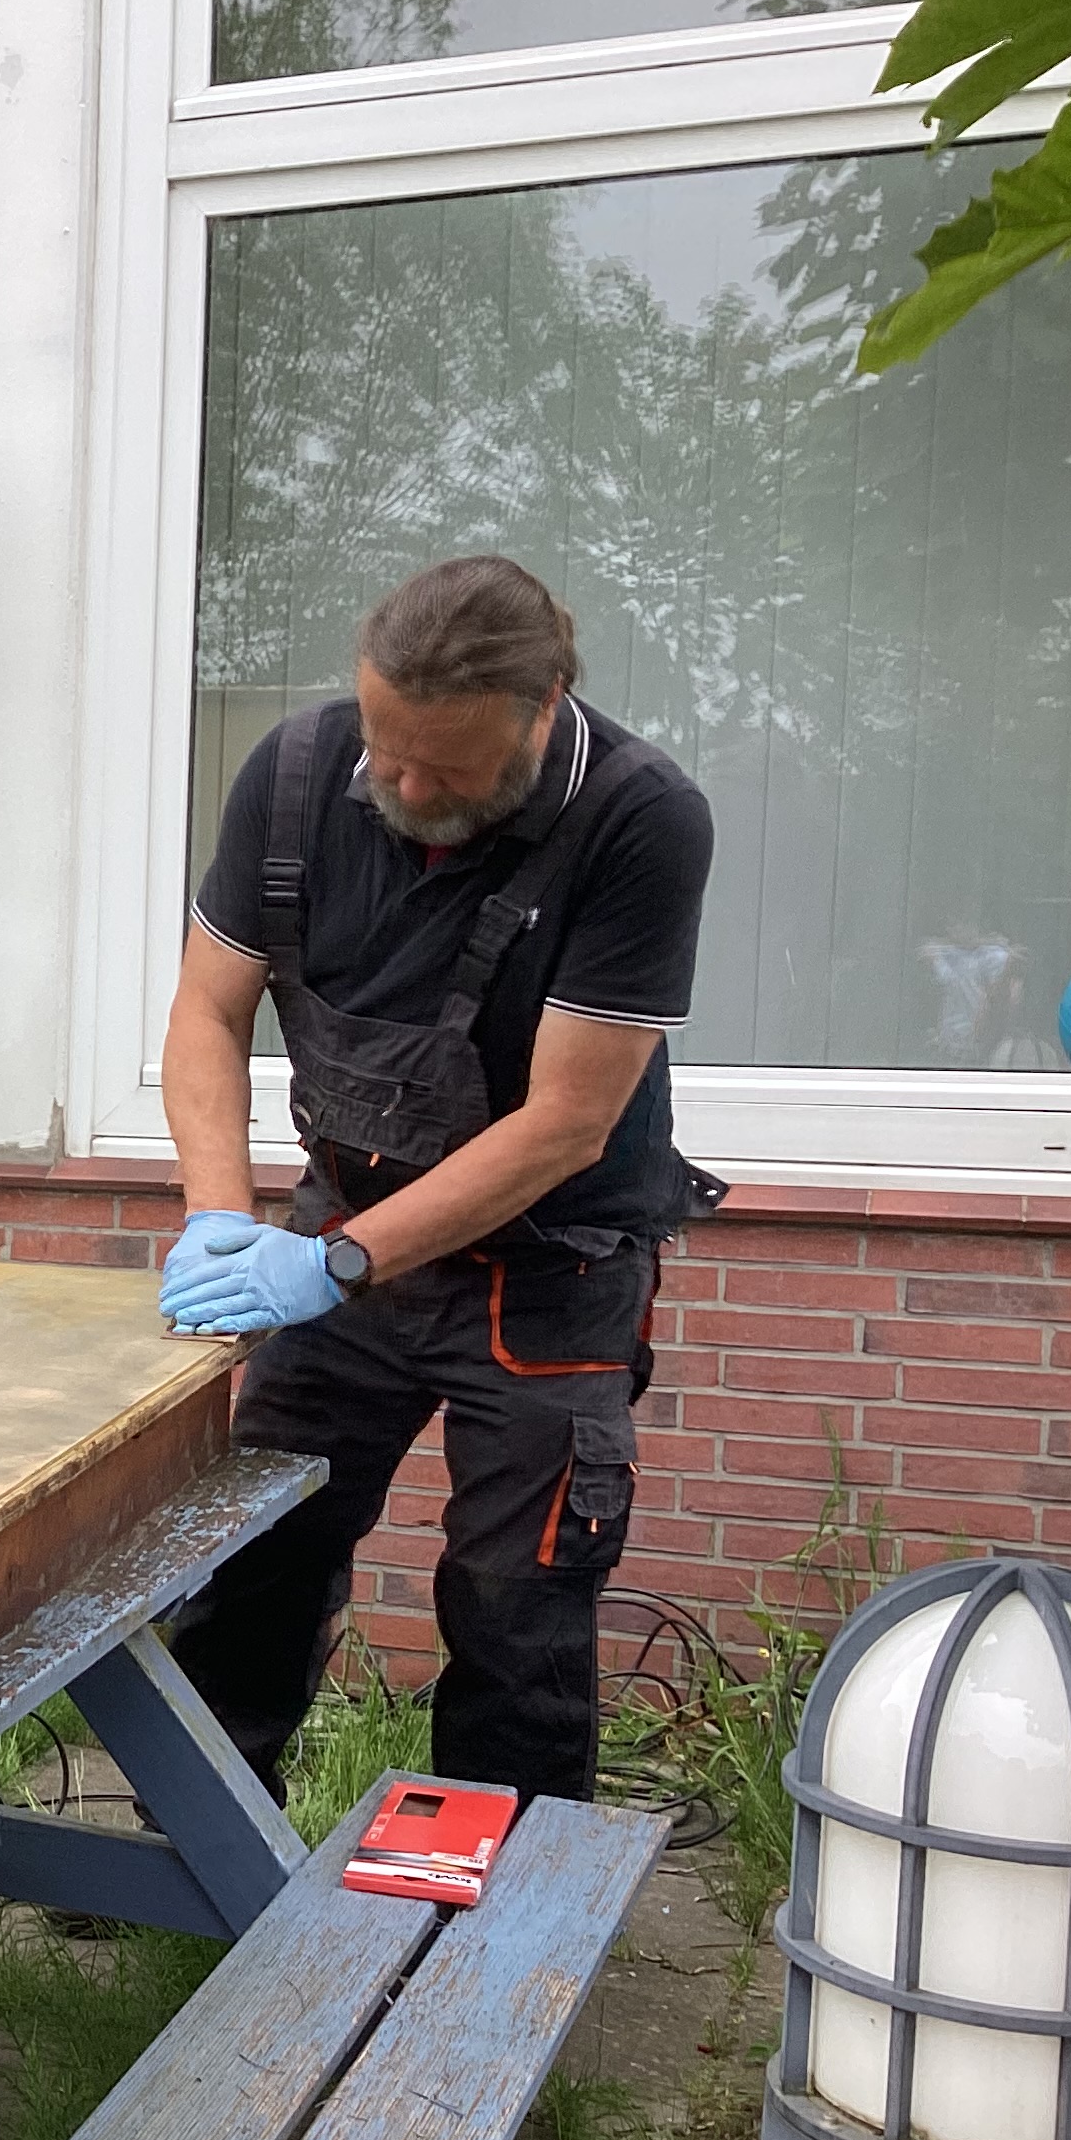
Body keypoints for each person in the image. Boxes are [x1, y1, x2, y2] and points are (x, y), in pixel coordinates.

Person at [156, 556, 718, 1805]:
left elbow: (568, 1122)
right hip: (342, 1228)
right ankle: (189, 1852)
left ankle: (503, 1925)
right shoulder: (299, 776)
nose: (405, 789)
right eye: (386, 751)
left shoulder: (640, 820)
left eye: (447, 770)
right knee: (262, 1554)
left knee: (515, 1603)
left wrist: (335, 1265)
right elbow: (206, 1010)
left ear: (546, 705)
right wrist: (218, 1216)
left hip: (549, 1269)